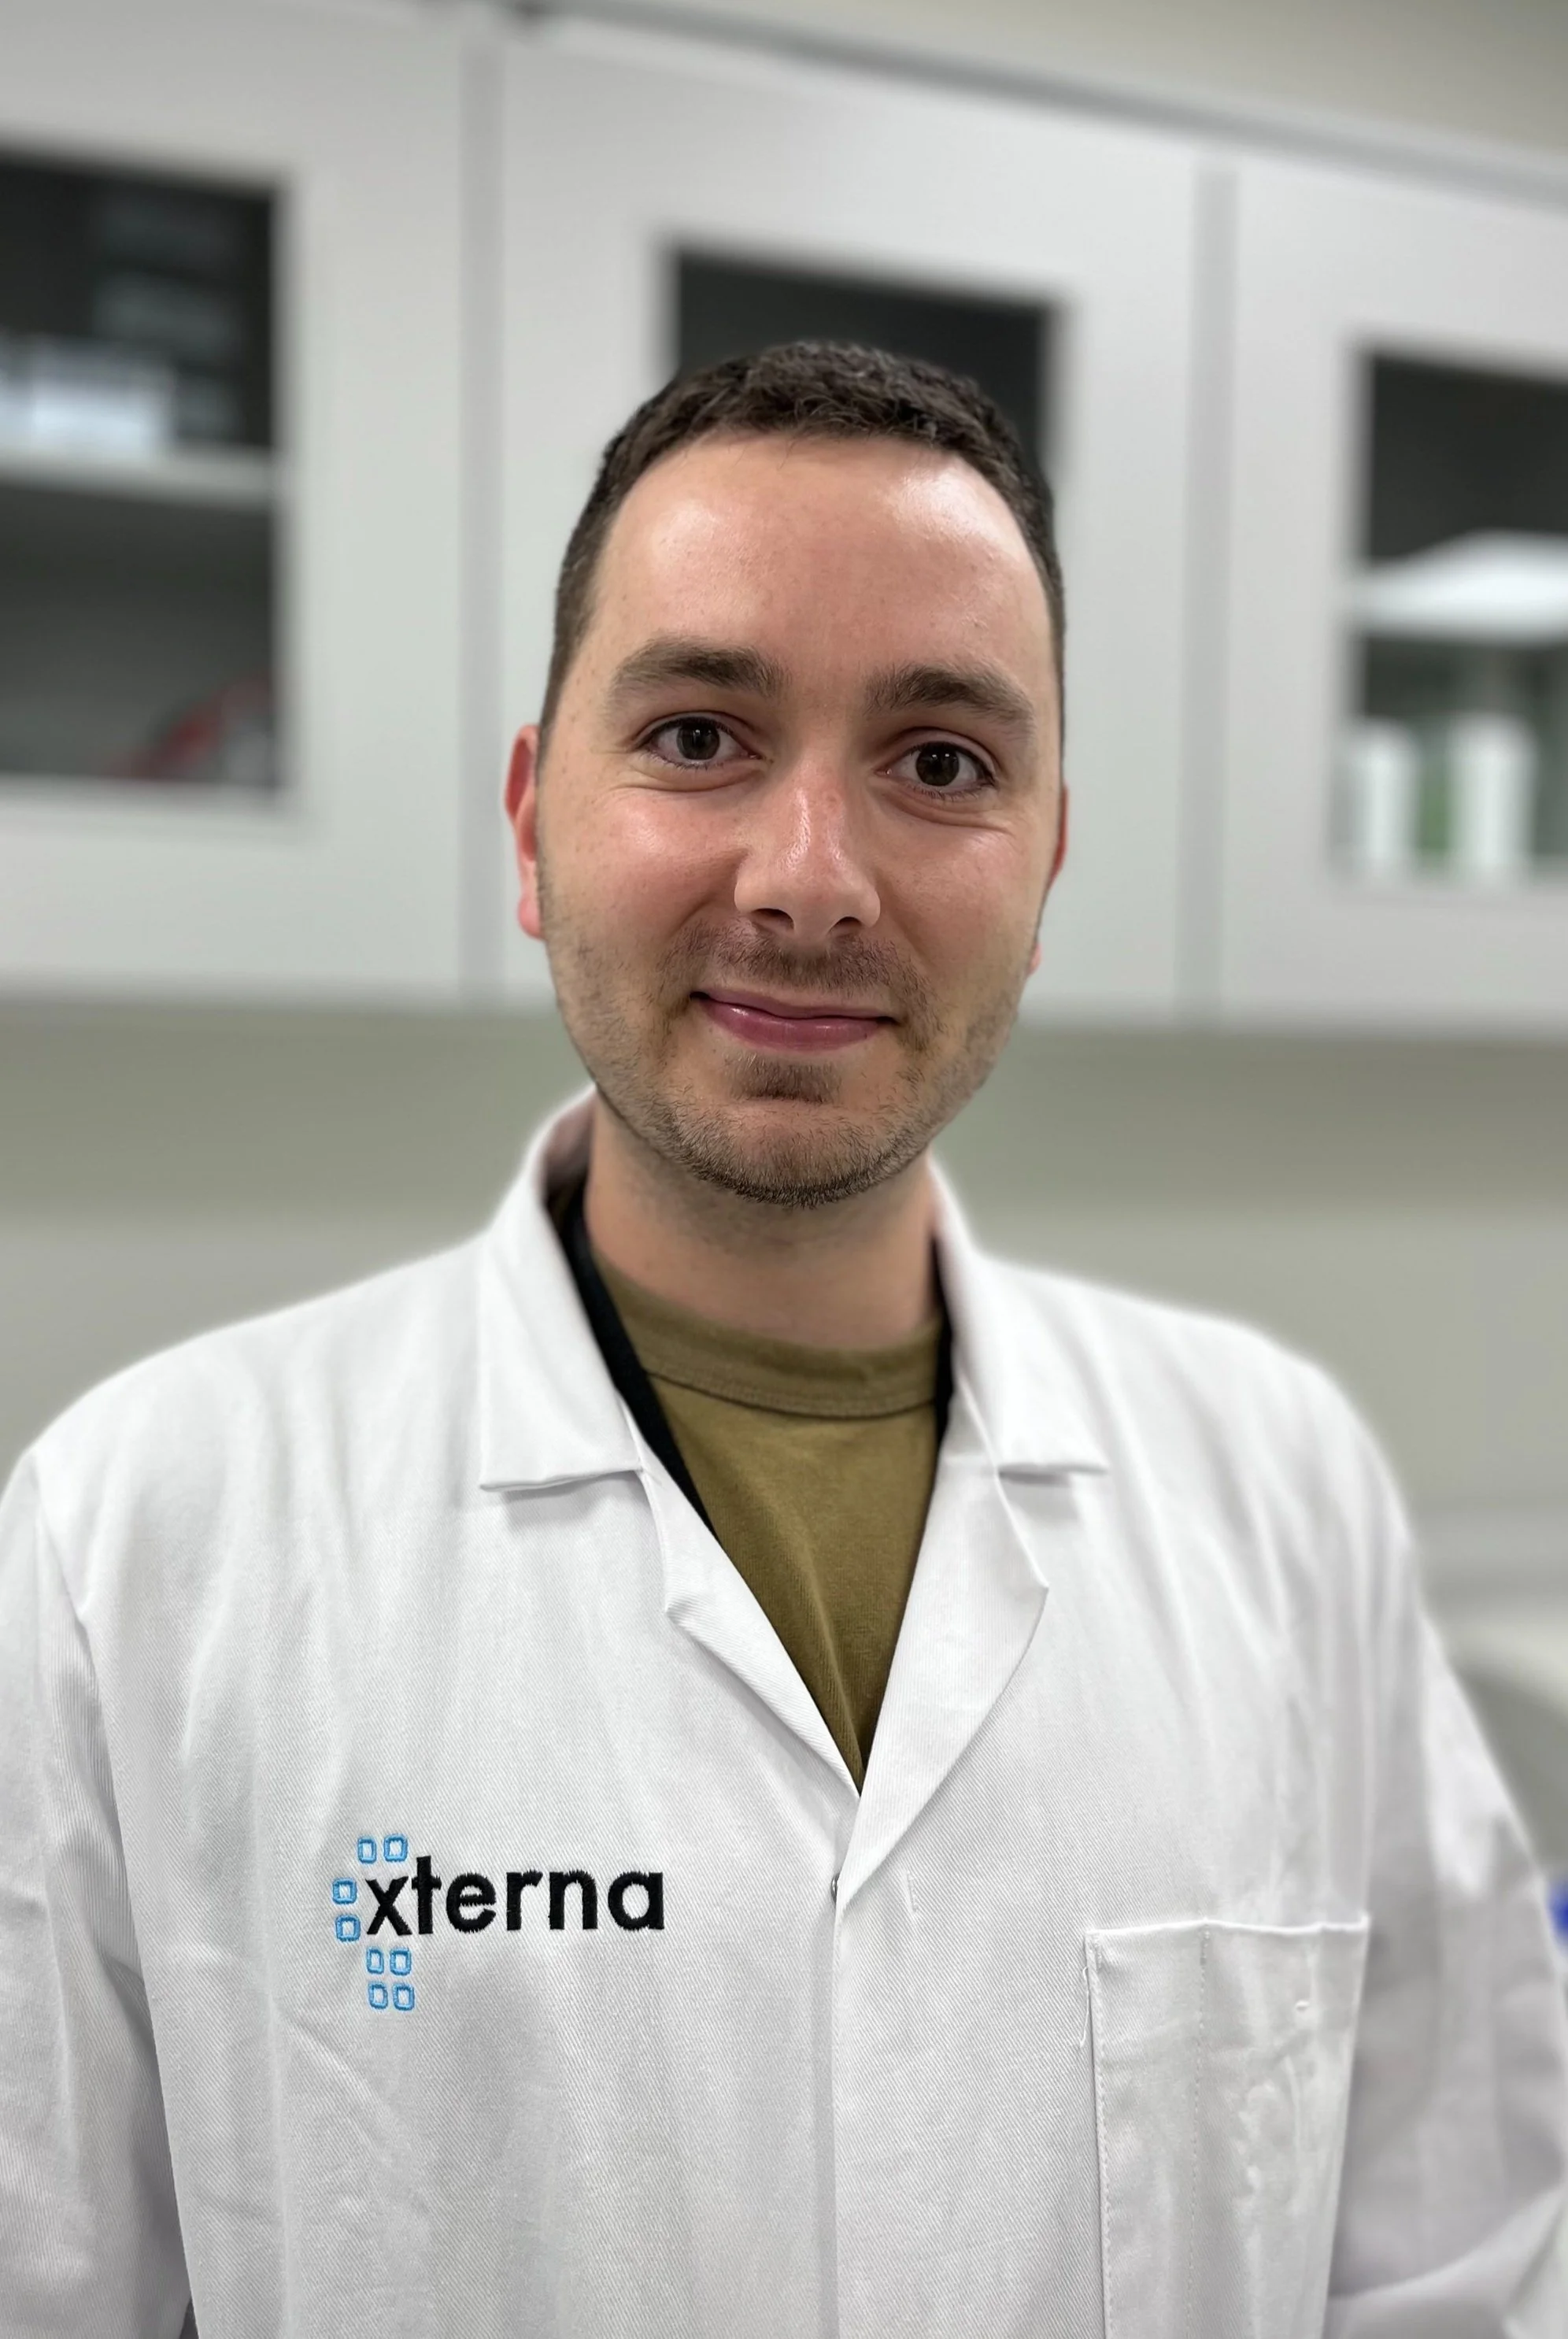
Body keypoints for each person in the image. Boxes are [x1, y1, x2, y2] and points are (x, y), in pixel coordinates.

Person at [1, 341, 1563, 2339]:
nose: (811, 881)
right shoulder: (138, 1539)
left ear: (1045, 864)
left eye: (942, 764)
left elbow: (1463, 2262)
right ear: (532, 823)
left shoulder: (1284, 1488)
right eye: (698, 735)